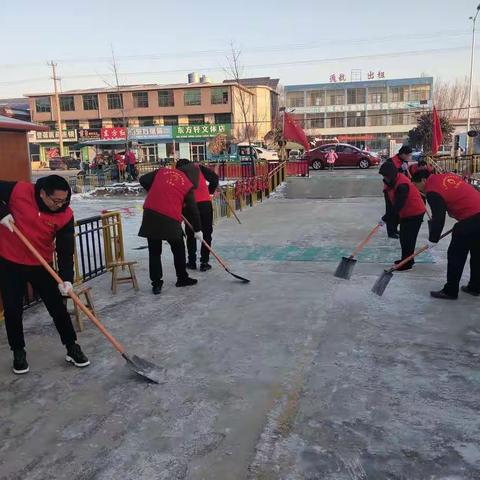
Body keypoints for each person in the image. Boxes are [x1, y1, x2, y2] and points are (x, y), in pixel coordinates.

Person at [0, 175, 89, 375]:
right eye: (55, 200)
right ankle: (18, 352)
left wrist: (66, 278)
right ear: (42, 193)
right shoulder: (19, 191)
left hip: (41, 263)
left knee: (58, 308)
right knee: (13, 310)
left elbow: (66, 249)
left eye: (64, 201)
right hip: (10, 262)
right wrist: (2, 212)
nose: (60, 205)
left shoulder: (65, 214)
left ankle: (72, 347)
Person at [412, 170, 480, 300]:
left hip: (469, 219)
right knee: (477, 254)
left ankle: (450, 291)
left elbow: (438, 218)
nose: (417, 189)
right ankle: (475, 287)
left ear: (423, 181)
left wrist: (433, 239)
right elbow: (458, 194)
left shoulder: (432, 190)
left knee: (456, 255)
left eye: (416, 185)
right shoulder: (447, 175)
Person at [139, 167, 202, 295]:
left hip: (150, 214)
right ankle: (182, 278)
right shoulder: (187, 185)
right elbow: (193, 210)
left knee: (154, 252)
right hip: (170, 217)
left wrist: (154, 191)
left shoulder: (162, 171)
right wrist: (198, 230)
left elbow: (143, 179)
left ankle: (156, 284)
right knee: (178, 248)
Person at [379, 162, 426, 271]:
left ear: (392, 175)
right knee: (404, 238)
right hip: (405, 213)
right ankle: (406, 259)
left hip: (415, 212)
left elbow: (398, 205)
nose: (385, 178)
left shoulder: (402, 184)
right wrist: (387, 216)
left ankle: (407, 263)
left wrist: (386, 218)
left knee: (408, 238)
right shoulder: (389, 182)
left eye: (386, 176)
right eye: (383, 176)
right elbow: (391, 203)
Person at [176, 159, 219, 271]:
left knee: (191, 234)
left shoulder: (178, 173)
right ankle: (204, 262)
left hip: (189, 206)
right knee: (206, 233)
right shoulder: (198, 168)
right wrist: (209, 192)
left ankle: (192, 261)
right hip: (205, 204)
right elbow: (214, 178)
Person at [382, 145, 414, 238]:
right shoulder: (391, 161)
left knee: (398, 210)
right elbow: (389, 176)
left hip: (401, 189)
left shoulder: (404, 161)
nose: (409, 157)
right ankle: (391, 231)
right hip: (390, 190)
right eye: (408, 155)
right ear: (403, 154)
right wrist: (400, 169)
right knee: (391, 210)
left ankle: (395, 229)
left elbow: (406, 175)